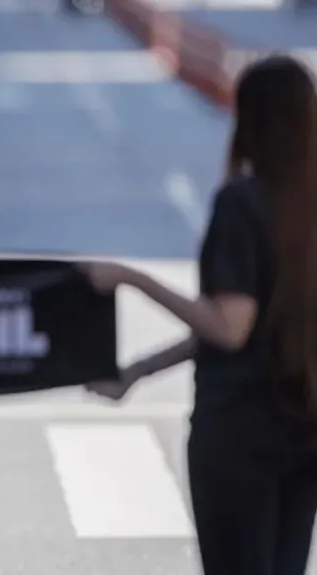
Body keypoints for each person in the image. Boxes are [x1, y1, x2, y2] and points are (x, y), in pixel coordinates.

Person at [80, 54, 317, 575]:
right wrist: (139, 372)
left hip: (239, 433)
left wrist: (131, 278)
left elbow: (230, 329)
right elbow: (255, 324)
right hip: (304, 427)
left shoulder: (243, 204)